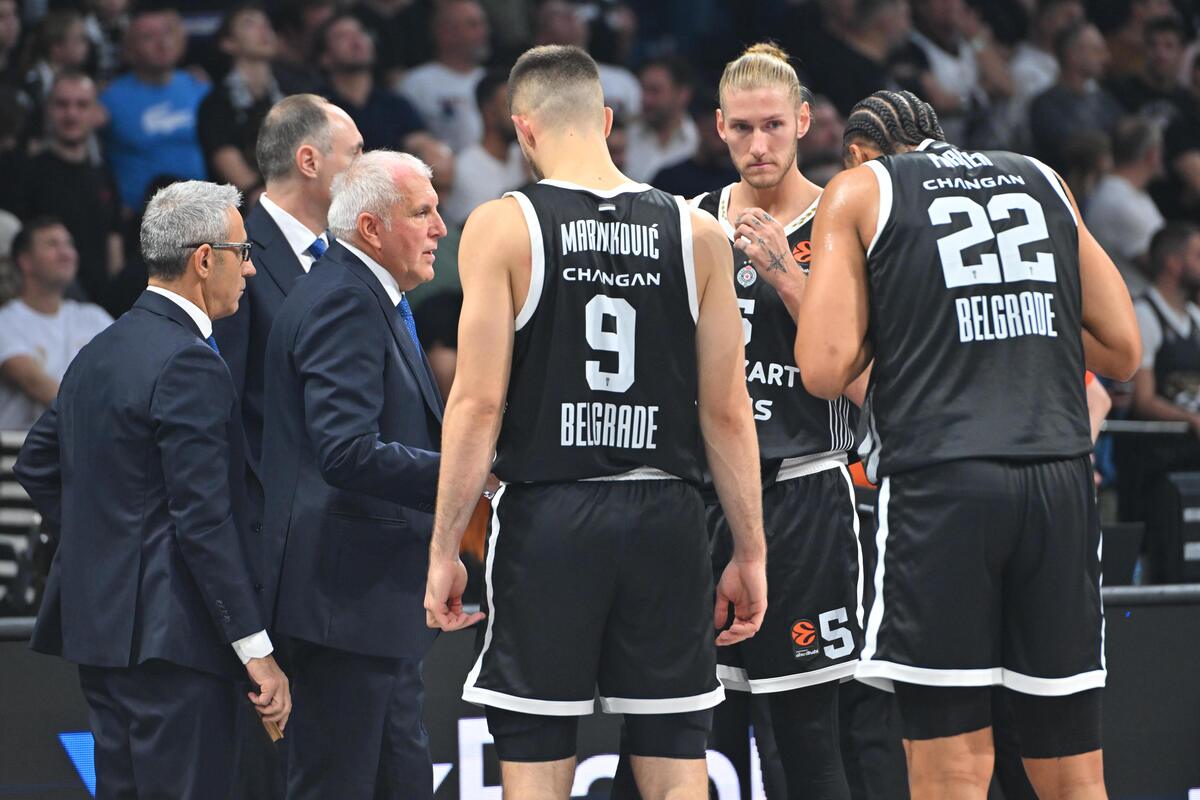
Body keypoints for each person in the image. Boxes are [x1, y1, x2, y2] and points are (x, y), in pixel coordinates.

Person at [424, 44, 768, 800]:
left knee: (538, 761)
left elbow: (477, 404)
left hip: (552, 514)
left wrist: (447, 544)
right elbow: (728, 412)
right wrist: (750, 551)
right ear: (608, 121)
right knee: (678, 769)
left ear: (522, 129)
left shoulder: (502, 225)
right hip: (670, 515)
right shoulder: (696, 231)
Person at [796, 89, 1141, 798]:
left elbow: (824, 366)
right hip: (1059, 479)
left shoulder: (860, 188)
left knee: (952, 769)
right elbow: (1121, 351)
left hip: (943, 484)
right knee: (1073, 773)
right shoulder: (1041, 176)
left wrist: (911, 309)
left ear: (860, 152)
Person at [13, 181, 290, 800]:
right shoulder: (190, 360)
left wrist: (111, 545)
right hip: (177, 641)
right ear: (203, 259)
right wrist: (255, 649)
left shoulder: (100, 348)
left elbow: (36, 462)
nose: (249, 269)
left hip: (105, 631)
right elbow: (204, 521)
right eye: (242, 252)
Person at [687, 43, 863, 799]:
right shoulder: (692, 223)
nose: (758, 147)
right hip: (703, 502)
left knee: (807, 740)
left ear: (803, 123)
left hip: (805, 499)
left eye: (773, 128)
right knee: (683, 731)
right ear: (718, 129)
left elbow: (869, 382)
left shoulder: (845, 222)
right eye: (741, 130)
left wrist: (789, 280)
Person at [261, 150, 447, 800]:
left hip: (373, 608)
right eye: (423, 212)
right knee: (336, 786)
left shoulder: (366, 293)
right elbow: (345, 450)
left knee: (402, 783)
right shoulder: (345, 298)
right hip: (343, 605)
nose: (440, 228)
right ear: (371, 228)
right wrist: (461, 476)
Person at [3, 71, 126, 317]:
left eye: (81, 105)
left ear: (95, 113)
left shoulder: (103, 173)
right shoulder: (25, 173)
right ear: (48, 110)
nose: (71, 114)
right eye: (62, 105)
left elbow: (114, 240)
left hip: (101, 308)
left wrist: (116, 299)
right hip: (45, 308)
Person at [316, 12, 453, 192]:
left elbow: (421, 143)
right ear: (325, 57)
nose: (356, 40)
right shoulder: (319, 107)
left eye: (361, 32)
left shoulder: (395, 104)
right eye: (342, 36)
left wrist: (435, 153)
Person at [0, 217, 111, 431]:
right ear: (26, 261)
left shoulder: (93, 317)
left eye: (69, 244)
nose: (66, 253)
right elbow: (33, 382)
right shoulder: (6, 321)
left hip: (85, 450)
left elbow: (131, 369)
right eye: (52, 245)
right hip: (18, 456)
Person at [100, 8, 209, 211]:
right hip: (142, 219)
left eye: (167, 33)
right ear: (129, 51)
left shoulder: (199, 87)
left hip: (201, 212)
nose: (162, 43)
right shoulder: (109, 98)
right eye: (148, 37)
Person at [197, 3, 285, 196]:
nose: (264, 29)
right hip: (243, 207)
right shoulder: (216, 103)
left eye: (266, 23)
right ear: (228, 43)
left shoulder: (291, 92)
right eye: (249, 24)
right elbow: (239, 179)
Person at [1028, 21, 1124, 173]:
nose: (1106, 58)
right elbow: (1068, 149)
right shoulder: (1046, 105)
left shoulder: (1104, 100)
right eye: (1096, 50)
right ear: (1073, 55)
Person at [1083, 117, 1165, 294]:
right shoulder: (1120, 202)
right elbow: (1165, 270)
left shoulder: (1129, 193)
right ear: (1152, 155)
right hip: (1135, 307)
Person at [398, 0, 490, 153]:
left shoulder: (492, 81)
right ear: (446, 33)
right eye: (473, 25)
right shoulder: (416, 84)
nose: (484, 32)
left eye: (482, 24)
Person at [440, 68, 527, 228]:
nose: (521, 115)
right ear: (490, 112)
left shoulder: (524, 158)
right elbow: (474, 230)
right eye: (511, 107)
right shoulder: (465, 167)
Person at [624, 56, 697, 182]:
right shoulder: (625, 135)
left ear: (682, 94)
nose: (646, 99)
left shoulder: (698, 142)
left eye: (655, 91)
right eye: (643, 90)